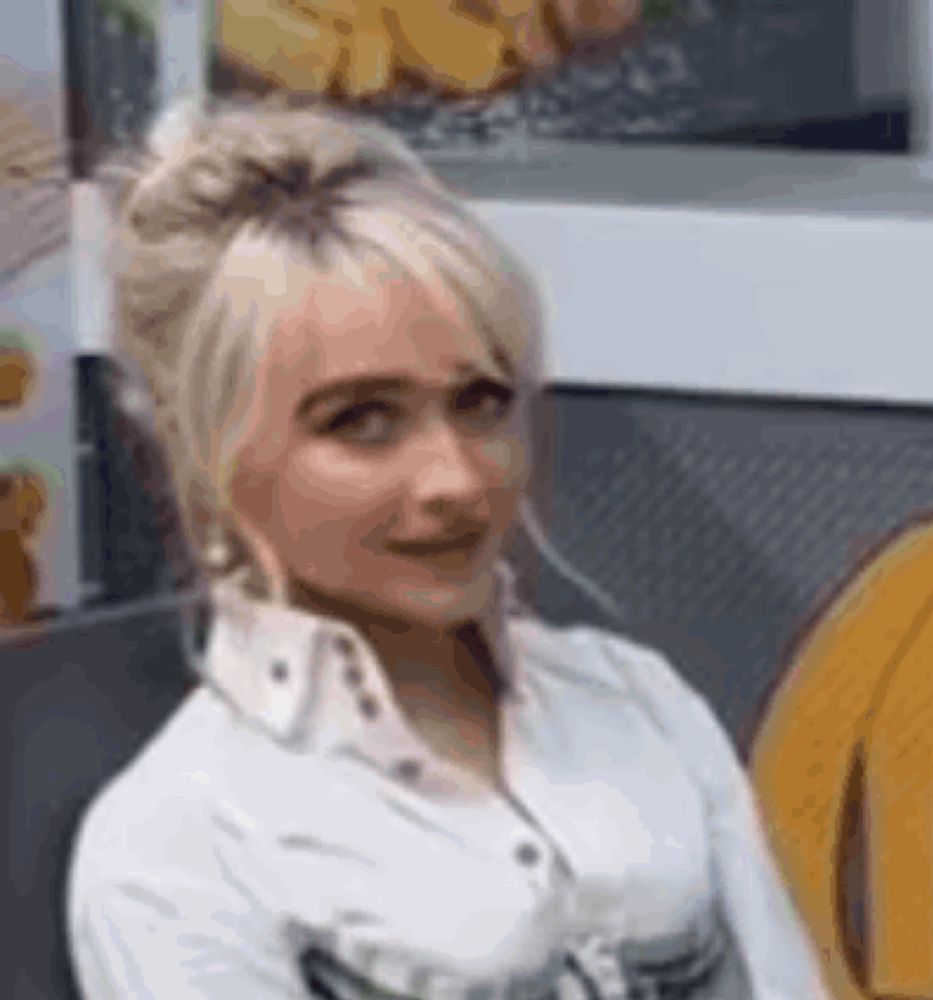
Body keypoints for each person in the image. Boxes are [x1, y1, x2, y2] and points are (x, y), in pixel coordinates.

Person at [65, 94, 829, 1000]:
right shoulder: (179, 850)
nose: (458, 480)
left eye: (479, 403)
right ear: (210, 458)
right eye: (363, 421)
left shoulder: (637, 699)